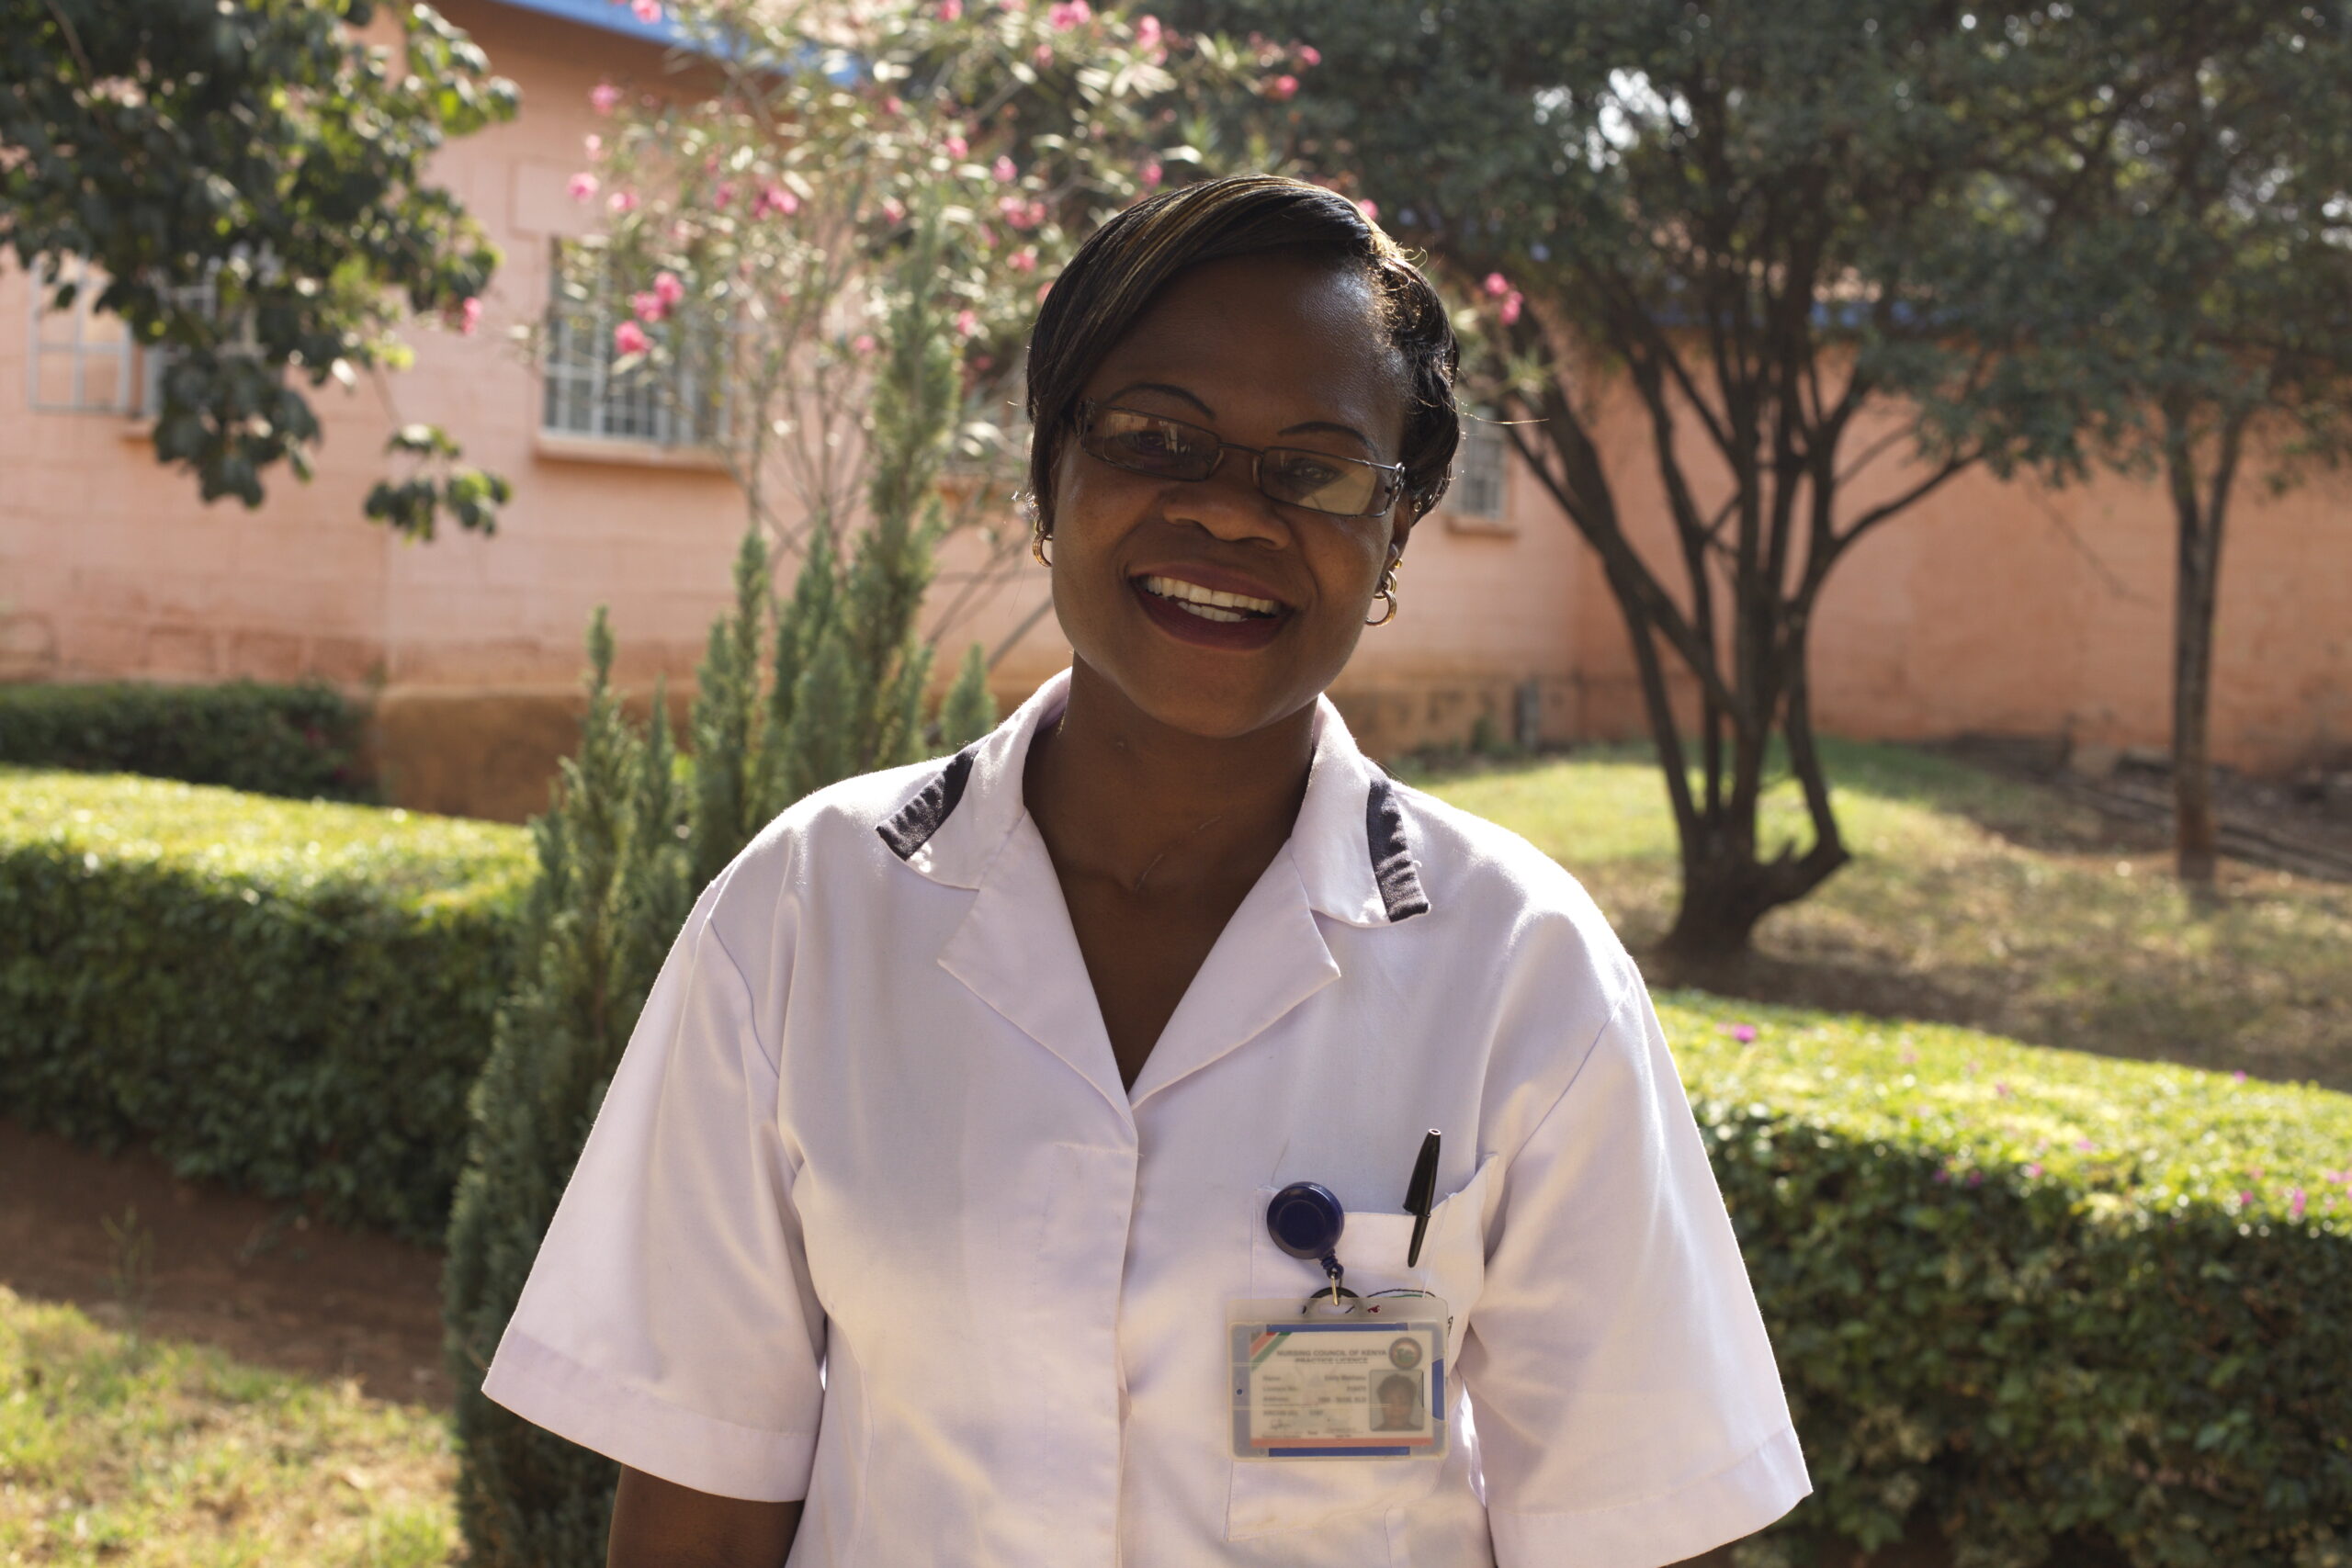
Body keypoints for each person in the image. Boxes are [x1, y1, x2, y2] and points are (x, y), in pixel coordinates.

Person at [481, 173, 1810, 1568]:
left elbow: (1638, 1524)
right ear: (1047, 475)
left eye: (1316, 469)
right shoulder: (811, 911)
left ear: (1394, 536)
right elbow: (700, 1496)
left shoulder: (1522, 971)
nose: (1230, 516)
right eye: (1156, 439)